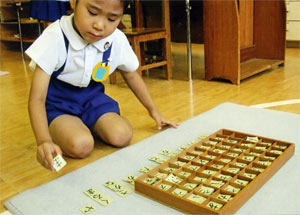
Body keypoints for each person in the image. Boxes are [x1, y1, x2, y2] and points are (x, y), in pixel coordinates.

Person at [26, 0, 179, 172]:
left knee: (122, 135)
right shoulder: (55, 36)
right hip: (58, 104)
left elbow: (131, 75)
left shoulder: (116, 39)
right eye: (92, 12)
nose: (99, 25)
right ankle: (68, 126)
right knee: (81, 145)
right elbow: (37, 99)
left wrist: (154, 111)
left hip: (93, 98)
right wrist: (44, 140)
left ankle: (85, 124)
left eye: (112, 19)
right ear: (73, 3)